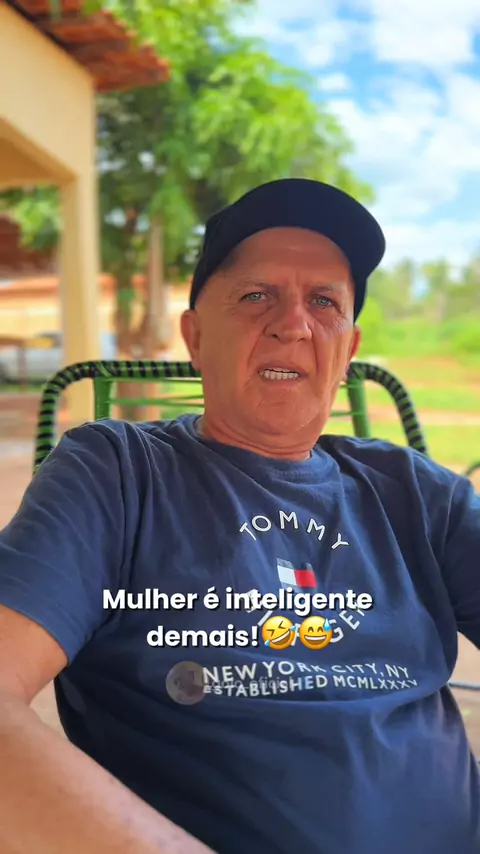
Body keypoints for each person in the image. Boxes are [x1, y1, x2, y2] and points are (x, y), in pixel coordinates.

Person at [0, 177, 478, 854]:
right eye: (256, 296)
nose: (293, 324)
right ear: (195, 337)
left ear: (348, 352)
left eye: (324, 302)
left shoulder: (416, 494)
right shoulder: (117, 474)